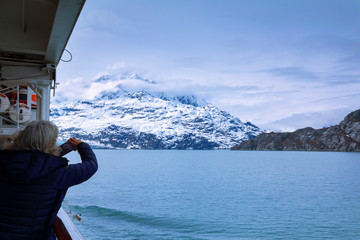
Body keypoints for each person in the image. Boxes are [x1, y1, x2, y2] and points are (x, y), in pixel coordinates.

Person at [0, 120, 98, 240]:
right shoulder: (58, 173)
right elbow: (91, 165)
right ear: (51, 144)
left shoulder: (3, 162)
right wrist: (82, 146)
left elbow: (29, 161)